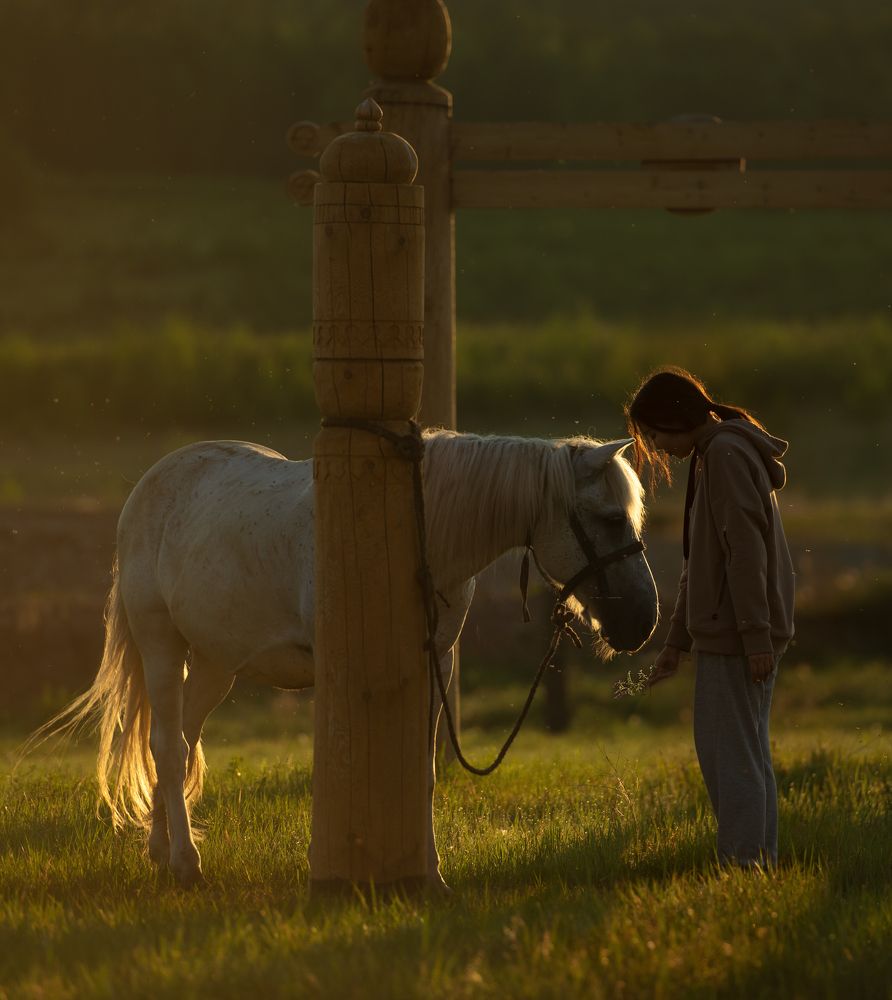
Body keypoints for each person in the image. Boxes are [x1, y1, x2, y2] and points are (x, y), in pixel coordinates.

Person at [625, 367, 795, 869]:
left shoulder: (723, 455)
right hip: (734, 629)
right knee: (744, 752)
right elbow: (701, 561)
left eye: (654, 433)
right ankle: (757, 862)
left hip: (737, 633)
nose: (656, 446)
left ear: (675, 418)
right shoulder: (715, 454)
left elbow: (744, 551)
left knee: (731, 757)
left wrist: (755, 636)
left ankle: (743, 866)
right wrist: (676, 642)